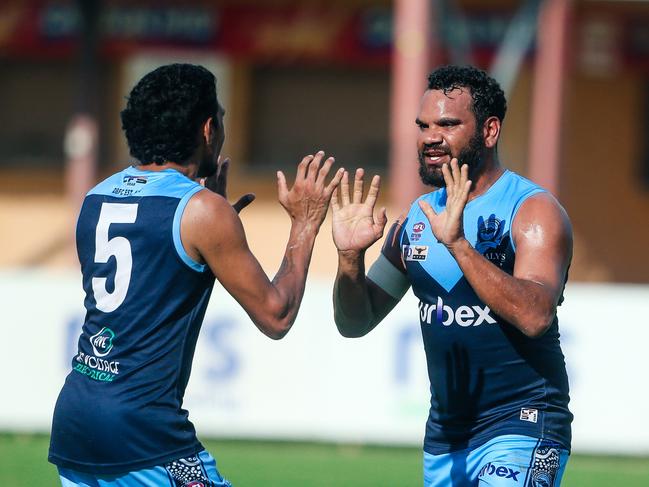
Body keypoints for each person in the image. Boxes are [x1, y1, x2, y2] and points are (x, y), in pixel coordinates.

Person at [48, 63, 343, 486]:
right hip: (143, 433)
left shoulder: (97, 197)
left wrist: (208, 220)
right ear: (207, 129)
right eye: (220, 117)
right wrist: (305, 223)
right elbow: (276, 316)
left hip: (76, 420)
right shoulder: (202, 212)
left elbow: (149, 274)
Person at [331, 65, 573, 486]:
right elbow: (355, 321)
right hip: (446, 437)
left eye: (447, 124)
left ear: (490, 131)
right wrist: (349, 258)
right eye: (423, 125)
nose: (429, 137)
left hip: (525, 421)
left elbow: (536, 316)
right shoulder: (416, 221)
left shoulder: (532, 211)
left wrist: (459, 245)